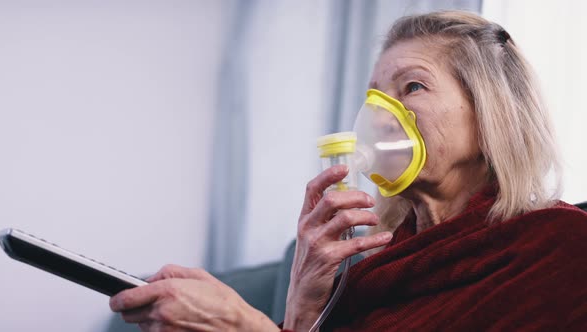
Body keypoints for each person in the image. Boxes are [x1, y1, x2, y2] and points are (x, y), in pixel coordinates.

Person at [109, 11, 587, 331]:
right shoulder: (370, 272)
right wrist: (301, 303)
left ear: (489, 118)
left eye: (412, 86)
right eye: (373, 95)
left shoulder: (561, 248)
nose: (379, 113)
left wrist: (244, 326)